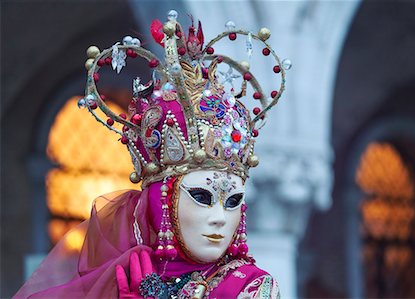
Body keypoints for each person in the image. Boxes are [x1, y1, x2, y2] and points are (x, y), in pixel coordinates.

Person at [14, 10, 287, 299]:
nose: (220, 218)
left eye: (233, 202)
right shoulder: (128, 278)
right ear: (161, 201)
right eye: (202, 197)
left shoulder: (251, 288)